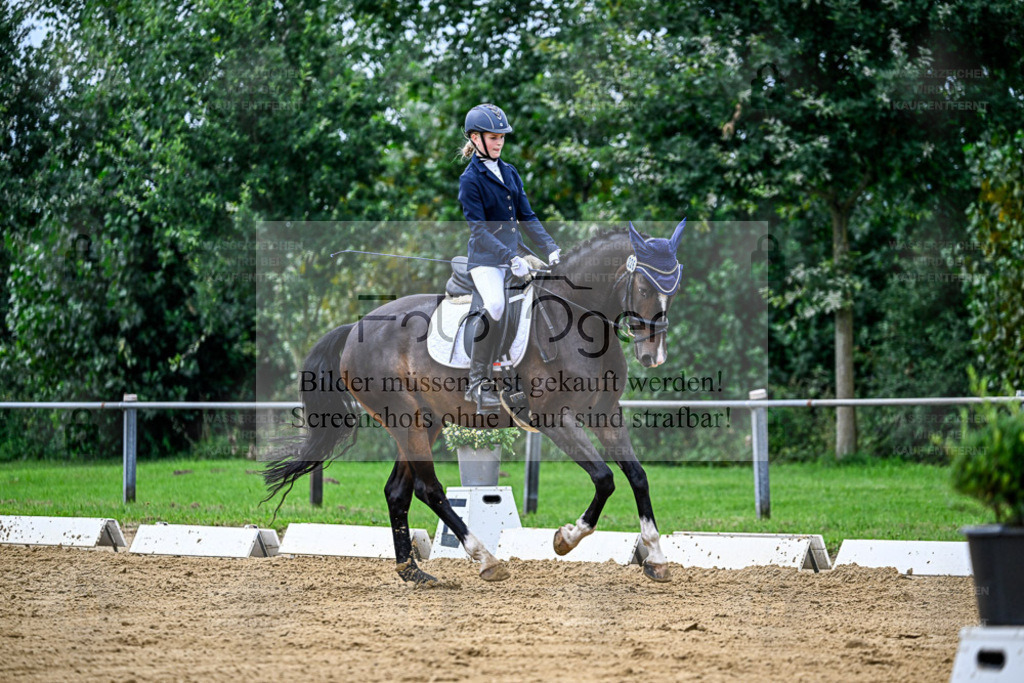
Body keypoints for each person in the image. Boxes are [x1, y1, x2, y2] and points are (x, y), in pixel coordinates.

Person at [458, 103, 561, 413]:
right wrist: (509, 257)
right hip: (486, 260)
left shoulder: (509, 171)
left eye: (502, 137)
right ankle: (478, 382)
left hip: (517, 255)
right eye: (493, 137)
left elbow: (527, 216)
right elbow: (479, 230)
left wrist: (550, 247)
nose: (499, 142)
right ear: (475, 138)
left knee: (546, 295)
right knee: (496, 305)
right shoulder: (470, 179)